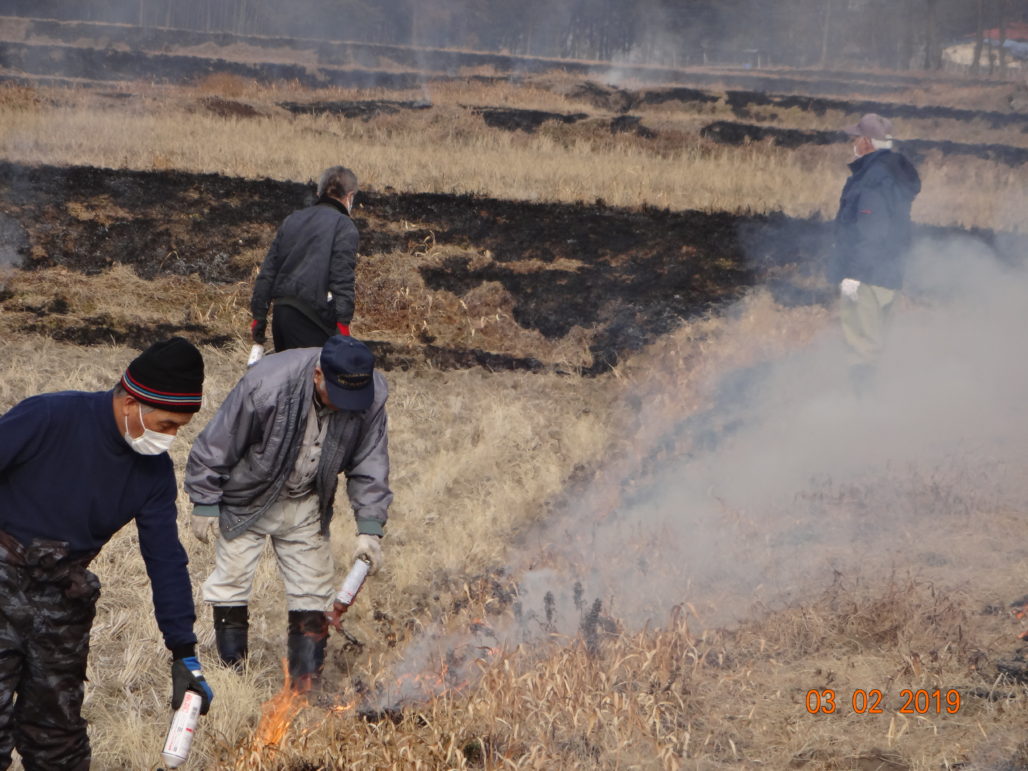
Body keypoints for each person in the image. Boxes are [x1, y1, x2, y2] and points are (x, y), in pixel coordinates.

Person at [0, 338, 214, 771]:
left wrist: (183, 650)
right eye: (167, 423)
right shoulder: (48, 416)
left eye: (180, 428)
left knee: (57, 740)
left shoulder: (152, 475)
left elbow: (166, 559)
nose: (170, 437)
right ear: (133, 401)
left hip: (64, 596)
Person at [185, 335, 391, 690]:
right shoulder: (267, 383)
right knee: (232, 579)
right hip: (248, 492)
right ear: (317, 375)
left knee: (313, 587)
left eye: (351, 400)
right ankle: (234, 674)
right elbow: (218, 440)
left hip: (305, 497)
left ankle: (303, 683)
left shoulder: (368, 396)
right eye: (336, 397)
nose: (345, 407)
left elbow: (370, 463)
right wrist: (204, 499)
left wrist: (369, 528)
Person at [829, 113, 921, 392]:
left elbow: (872, 229)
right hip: (888, 273)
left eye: (856, 137)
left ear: (867, 142)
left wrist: (854, 275)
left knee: (861, 346)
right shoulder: (891, 172)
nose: (853, 142)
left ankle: (862, 410)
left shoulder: (873, 178)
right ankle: (875, 401)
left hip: (867, 275)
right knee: (876, 340)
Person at [250, 166, 360, 352]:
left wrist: (258, 317)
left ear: (318, 192)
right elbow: (342, 280)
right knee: (312, 379)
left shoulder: (292, 219)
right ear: (350, 196)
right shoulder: (344, 226)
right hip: (313, 321)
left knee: (289, 378)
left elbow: (268, 273)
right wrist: (343, 328)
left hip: (281, 316)